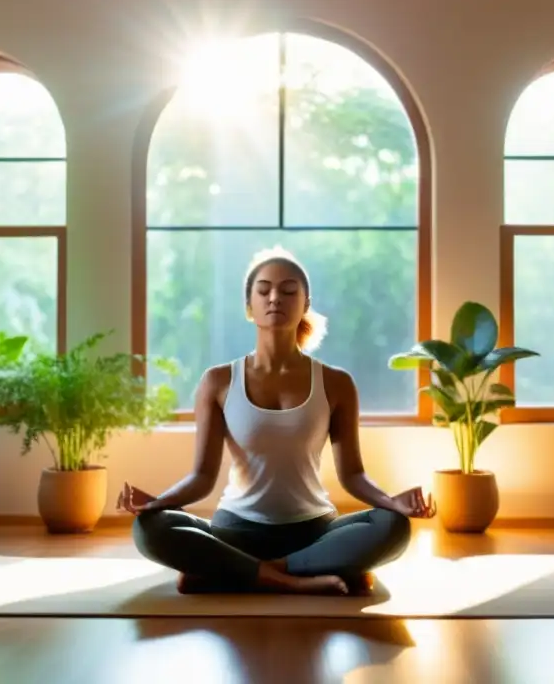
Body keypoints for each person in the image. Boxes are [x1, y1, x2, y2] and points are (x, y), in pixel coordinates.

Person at [119, 246, 436, 596]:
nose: (275, 298)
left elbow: (353, 475)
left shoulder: (336, 383)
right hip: (235, 531)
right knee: (149, 528)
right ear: (249, 306)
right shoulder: (218, 381)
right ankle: (293, 577)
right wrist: (155, 503)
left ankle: (241, 572)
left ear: (305, 305)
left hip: (312, 532)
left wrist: (394, 502)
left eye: (288, 291)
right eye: (264, 289)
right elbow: (201, 477)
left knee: (392, 526)